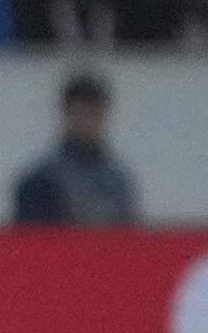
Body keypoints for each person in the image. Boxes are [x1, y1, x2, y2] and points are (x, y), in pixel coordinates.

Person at [12, 71, 141, 226]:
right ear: (66, 114)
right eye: (81, 112)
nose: (88, 121)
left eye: (94, 113)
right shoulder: (40, 182)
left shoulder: (118, 180)